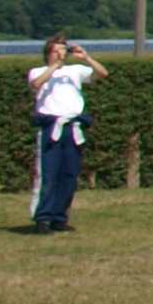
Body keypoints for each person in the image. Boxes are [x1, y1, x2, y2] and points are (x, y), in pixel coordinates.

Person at [24, 37, 105, 233]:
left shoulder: (75, 71)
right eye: (57, 50)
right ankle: (42, 217)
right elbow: (36, 84)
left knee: (69, 173)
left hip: (72, 126)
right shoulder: (39, 71)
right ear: (49, 54)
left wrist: (85, 58)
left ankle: (59, 216)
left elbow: (102, 74)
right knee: (48, 173)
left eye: (64, 50)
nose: (62, 53)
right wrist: (55, 66)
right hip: (51, 126)